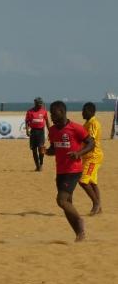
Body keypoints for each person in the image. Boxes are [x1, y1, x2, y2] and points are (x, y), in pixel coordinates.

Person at [46, 100, 94, 241]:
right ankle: (80, 234)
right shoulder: (53, 131)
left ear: (62, 112)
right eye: (51, 114)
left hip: (73, 170)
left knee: (61, 201)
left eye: (54, 114)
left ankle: (80, 221)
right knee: (68, 204)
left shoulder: (76, 128)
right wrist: (46, 152)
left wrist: (79, 153)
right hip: (60, 171)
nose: (52, 117)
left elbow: (91, 143)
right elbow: (54, 149)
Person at [80, 102, 104, 216]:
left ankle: (96, 204)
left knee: (83, 181)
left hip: (93, 157)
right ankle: (99, 207)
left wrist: (79, 152)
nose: (82, 113)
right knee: (92, 182)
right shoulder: (87, 123)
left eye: (84, 111)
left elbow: (91, 142)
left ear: (90, 112)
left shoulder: (93, 123)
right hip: (87, 157)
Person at [25, 97, 51, 171]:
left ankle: (41, 164)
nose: (40, 105)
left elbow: (47, 121)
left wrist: (50, 131)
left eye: (41, 104)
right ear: (35, 103)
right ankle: (37, 165)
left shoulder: (44, 111)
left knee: (41, 148)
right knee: (34, 149)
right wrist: (27, 130)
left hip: (41, 132)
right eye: (39, 104)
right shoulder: (30, 111)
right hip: (33, 132)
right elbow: (27, 121)